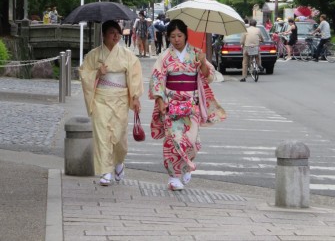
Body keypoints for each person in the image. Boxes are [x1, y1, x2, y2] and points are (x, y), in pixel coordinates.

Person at [149, 19, 226, 191]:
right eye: (173, 36)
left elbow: (208, 76)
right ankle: (173, 176)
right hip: (170, 102)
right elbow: (157, 78)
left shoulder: (196, 53)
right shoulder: (165, 56)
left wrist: (203, 62)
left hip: (191, 102)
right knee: (173, 139)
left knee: (191, 140)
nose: (176, 39)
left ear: (186, 35)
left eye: (179, 35)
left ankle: (186, 165)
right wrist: (160, 100)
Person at [80, 20, 144, 186]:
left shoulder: (127, 55)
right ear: (103, 35)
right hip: (101, 97)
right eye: (111, 32)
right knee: (102, 135)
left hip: (120, 98)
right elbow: (84, 73)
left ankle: (118, 162)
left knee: (119, 136)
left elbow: (134, 76)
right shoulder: (94, 55)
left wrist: (135, 97)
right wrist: (96, 73)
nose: (116, 36)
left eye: (118, 32)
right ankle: (105, 171)